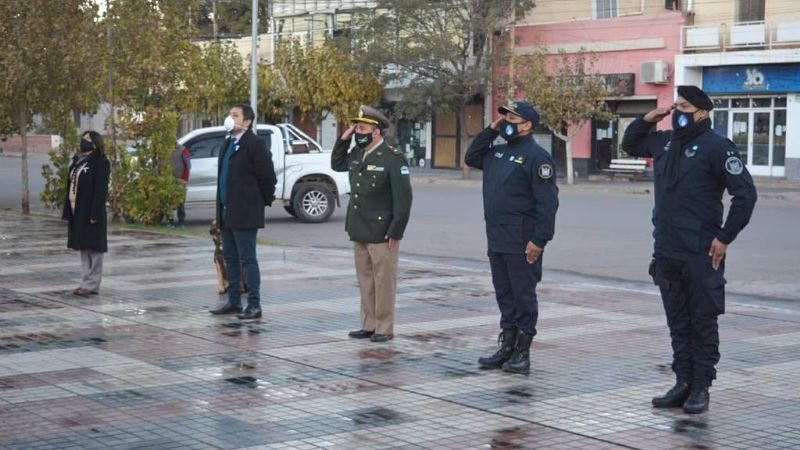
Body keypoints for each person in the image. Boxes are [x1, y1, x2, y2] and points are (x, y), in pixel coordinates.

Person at [621, 85, 757, 414]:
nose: (678, 112)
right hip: (667, 249)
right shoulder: (665, 141)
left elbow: (745, 196)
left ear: (702, 112)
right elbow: (630, 144)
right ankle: (682, 382)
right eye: (676, 105)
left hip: (701, 252)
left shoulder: (717, 147)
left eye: (684, 106)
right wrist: (648, 118)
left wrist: (725, 237)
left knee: (702, 321)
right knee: (678, 321)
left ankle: (701, 387)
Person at [465, 101, 559, 374]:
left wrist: (540, 240)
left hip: (522, 240)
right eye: (504, 116)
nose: (506, 120)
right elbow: (472, 157)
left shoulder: (537, 157)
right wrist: (492, 129)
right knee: (505, 295)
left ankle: (522, 352)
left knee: (523, 296)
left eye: (512, 117)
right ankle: (506, 346)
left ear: (527, 124)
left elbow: (547, 203)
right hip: (496, 237)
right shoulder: (498, 152)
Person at [331, 105, 413, 343]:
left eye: (362, 128)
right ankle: (368, 324)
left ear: (376, 132)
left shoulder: (393, 158)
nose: (358, 132)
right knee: (365, 280)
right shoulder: (358, 153)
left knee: (383, 282)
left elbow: (403, 199)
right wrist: (344, 138)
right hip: (359, 227)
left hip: (382, 231)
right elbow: (337, 164)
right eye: (356, 128)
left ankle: (384, 327)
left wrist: (396, 230)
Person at [209, 103, 276, 320]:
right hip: (226, 210)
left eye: (235, 115)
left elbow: (268, 177)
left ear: (247, 121)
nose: (230, 118)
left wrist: (261, 202)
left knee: (247, 258)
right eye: (230, 114)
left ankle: (254, 304)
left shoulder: (254, 144)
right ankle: (234, 301)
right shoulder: (228, 142)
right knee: (230, 257)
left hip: (246, 211)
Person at [63, 131, 111, 297]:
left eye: (88, 139)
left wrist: (95, 213)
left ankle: (93, 284)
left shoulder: (101, 162)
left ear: (96, 143)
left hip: (92, 211)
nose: (84, 142)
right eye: (83, 139)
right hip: (78, 210)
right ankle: (85, 281)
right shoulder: (78, 161)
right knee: (83, 247)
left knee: (95, 249)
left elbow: (100, 190)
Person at [170, 144, 191, 228]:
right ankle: (169, 221)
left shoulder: (182, 150)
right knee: (169, 201)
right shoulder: (165, 148)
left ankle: (181, 221)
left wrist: (184, 179)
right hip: (168, 179)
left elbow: (188, 165)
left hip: (180, 179)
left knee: (180, 201)